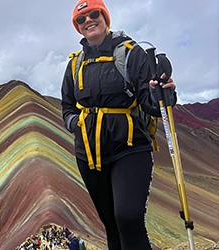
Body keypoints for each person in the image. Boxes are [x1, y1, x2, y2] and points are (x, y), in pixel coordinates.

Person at [61, 0, 177, 249]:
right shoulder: (74, 64)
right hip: (89, 154)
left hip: (130, 148)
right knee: (111, 225)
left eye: (94, 14)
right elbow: (67, 105)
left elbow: (150, 104)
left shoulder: (131, 52)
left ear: (105, 17)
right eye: (81, 19)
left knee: (129, 218)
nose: (88, 21)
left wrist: (162, 93)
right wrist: (75, 124)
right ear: (77, 27)